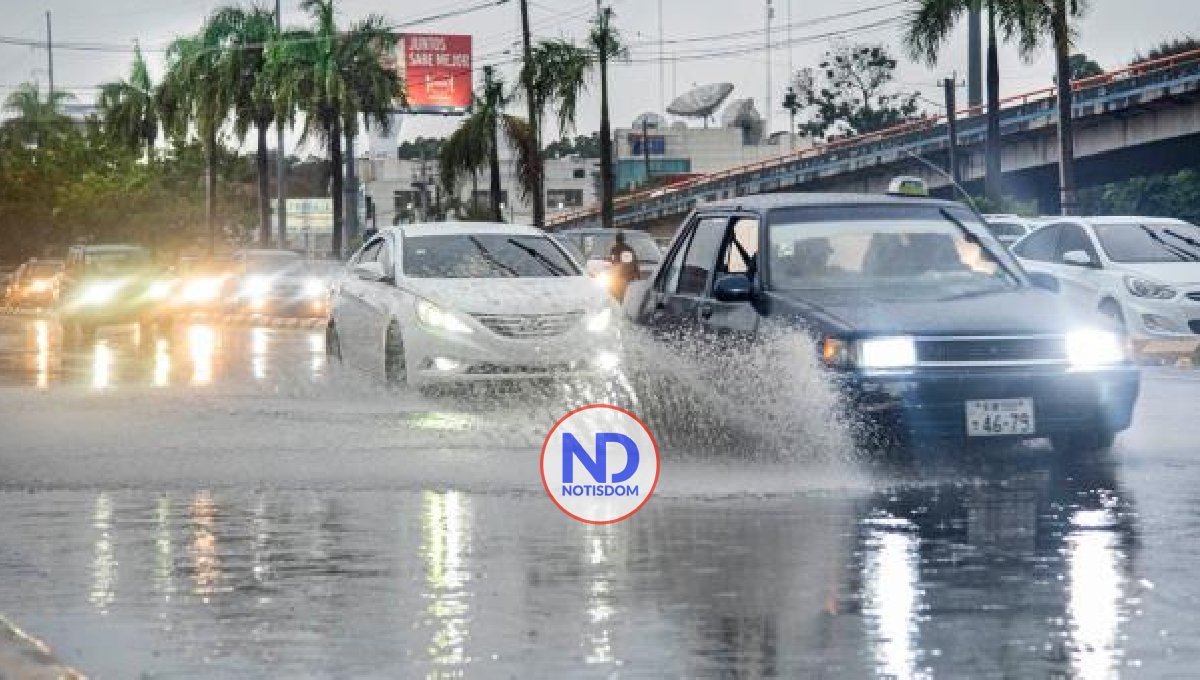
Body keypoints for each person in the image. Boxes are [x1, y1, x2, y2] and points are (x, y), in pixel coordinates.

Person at [606, 231, 640, 300]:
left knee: (618, 298)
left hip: (619, 278)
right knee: (625, 297)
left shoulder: (614, 249)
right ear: (623, 239)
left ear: (616, 240)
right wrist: (638, 275)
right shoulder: (628, 249)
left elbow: (613, 262)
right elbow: (634, 263)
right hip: (626, 278)